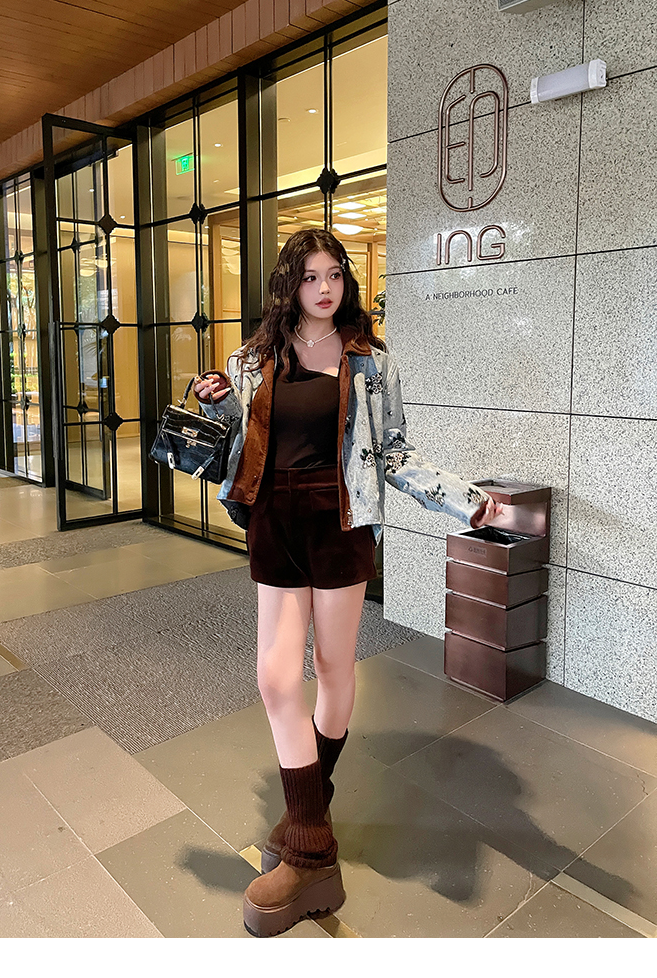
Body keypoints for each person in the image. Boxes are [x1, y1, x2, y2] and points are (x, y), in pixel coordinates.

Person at [194, 228, 504, 937]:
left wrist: (463, 499)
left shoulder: (370, 359)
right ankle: (312, 843)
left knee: (333, 668)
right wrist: (217, 404)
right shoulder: (251, 359)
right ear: (289, 284)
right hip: (276, 521)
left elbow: (393, 452)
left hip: (341, 522)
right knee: (277, 678)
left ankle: (308, 816)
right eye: (310, 277)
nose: (325, 288)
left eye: (334, 274)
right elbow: (241, 444)